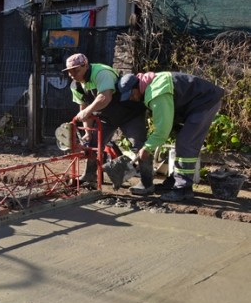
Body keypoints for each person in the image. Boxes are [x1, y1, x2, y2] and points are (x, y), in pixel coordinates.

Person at [117, 71, 224, 201]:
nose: (131, 99)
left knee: (186, 143)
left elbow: (162, 130)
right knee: (182, 142)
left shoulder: (157, 92)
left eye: (131, 95)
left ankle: (183, 189)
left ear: (137, 87)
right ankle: (175, 181)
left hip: (205, 101)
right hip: (195, 103)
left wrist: (147, 148)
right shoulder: (150, 83)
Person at [61, 53, 152, 193]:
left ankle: (147, 183)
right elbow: (84, 108)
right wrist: (87, 132)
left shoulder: (101, 73)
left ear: (85, 66)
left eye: (76, 70)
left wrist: (87, 112)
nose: (73, 74)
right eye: (69, 72)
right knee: (93, 144)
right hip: (107, 116)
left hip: (129, 113)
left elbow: (105, 97)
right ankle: (90, 176)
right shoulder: (76, 85)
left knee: (140, 145)